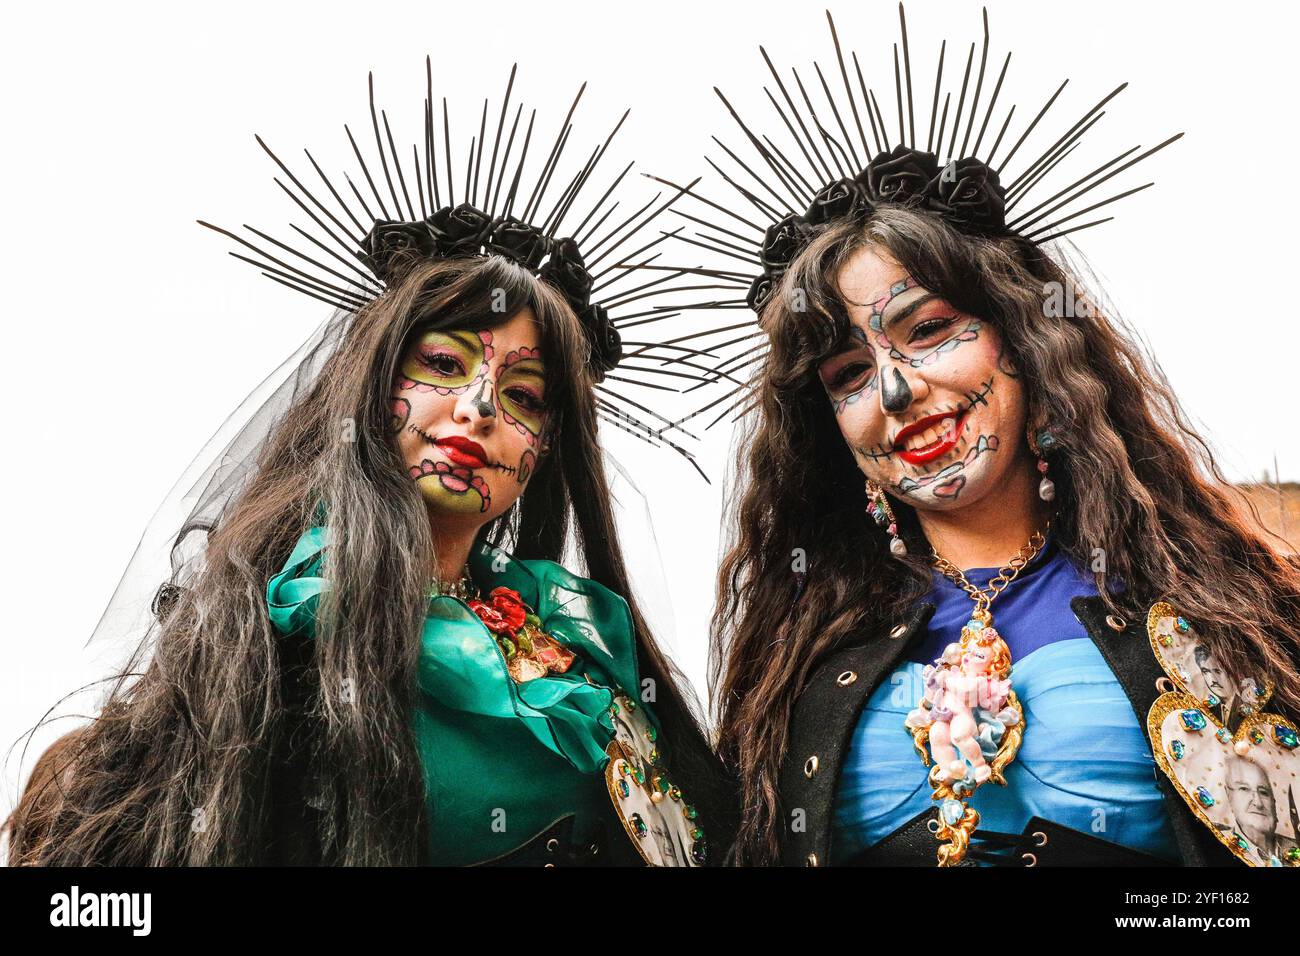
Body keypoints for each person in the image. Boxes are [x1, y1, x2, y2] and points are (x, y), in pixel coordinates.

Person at [3, 62, 733, 866]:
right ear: (371, 384)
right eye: (446, 366)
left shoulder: (578, 640)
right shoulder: (272, 632)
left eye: (524, 397)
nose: (480, 408)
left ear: (546, 454)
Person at [662, 6, 1300, 865]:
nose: (895, 389)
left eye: (928, 330)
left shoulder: (1214, 604)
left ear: (1026, 342)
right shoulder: (801, 659)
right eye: (848, 374)